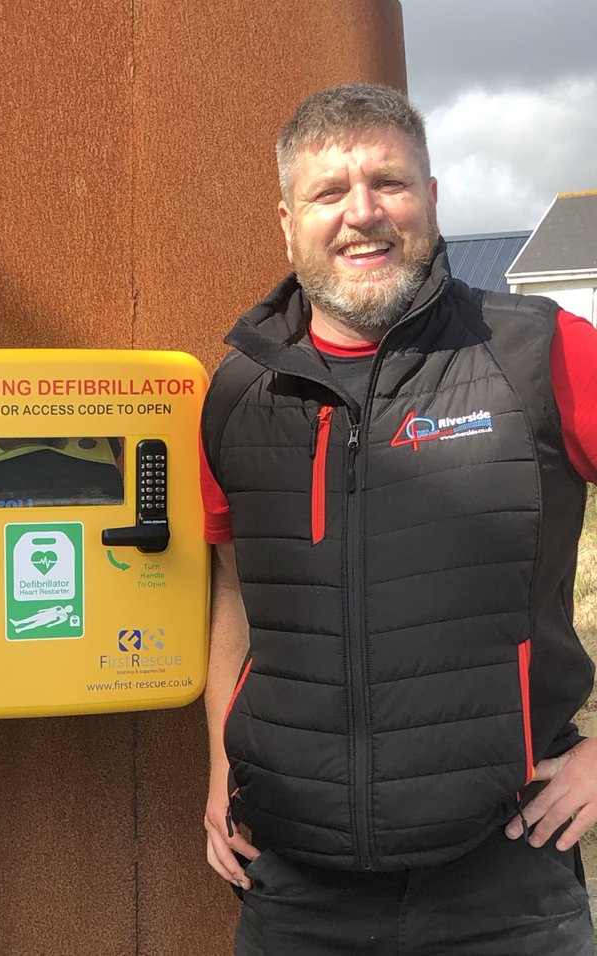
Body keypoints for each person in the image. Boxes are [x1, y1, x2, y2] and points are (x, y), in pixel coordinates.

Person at [200, 82, 597, 954]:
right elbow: (236, 593)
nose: (362, 214)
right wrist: (221, 764)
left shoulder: (539, 350)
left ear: (432, 198)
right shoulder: (235, 392)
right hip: (297, 888)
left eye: (390, 183)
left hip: (505, 875)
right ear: (287, 220)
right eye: (329, 193)